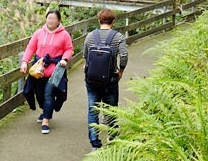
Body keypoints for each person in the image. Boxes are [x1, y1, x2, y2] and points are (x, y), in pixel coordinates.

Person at [20, 10, 74, 134]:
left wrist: (65, 59)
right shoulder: (39, 33)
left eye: (53, 19)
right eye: (49, 18)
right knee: (39, 94)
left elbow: (69, 49)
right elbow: (30, 48)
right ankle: (45, 110)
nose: (50, 21)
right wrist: (24, 62)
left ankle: (46, 120)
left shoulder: (64, 34)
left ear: (58, 21)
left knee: (48, 93)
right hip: (39, 69)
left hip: (55, 69)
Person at [83, 9, 128, 151]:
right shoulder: (118, 37)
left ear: (99, 20)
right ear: (113, 21)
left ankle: (95, 144)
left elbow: (85, 55)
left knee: (93, 110)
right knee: (111, 109)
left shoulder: (90, 36)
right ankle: (112, 137)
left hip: (92, 80)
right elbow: (124, 55)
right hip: (110, 80)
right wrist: (120, 70)